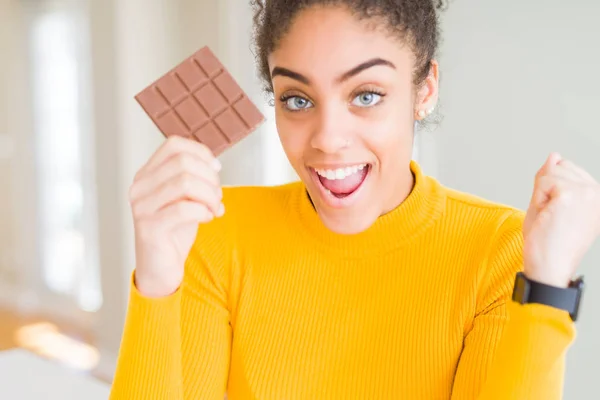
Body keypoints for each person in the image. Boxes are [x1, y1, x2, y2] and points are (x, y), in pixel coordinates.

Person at [109, 1, 600, 399]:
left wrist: (546, 287)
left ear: (423, 89)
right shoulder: (216, 231)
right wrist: (155, 281)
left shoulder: (498, 249)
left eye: (366, 95)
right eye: (297, 100)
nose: (327, 139)